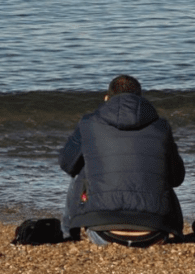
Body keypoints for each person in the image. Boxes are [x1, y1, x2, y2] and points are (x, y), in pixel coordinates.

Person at [59, 75, 185, 247]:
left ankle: (68, 233)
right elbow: (177, 178)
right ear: (140, 99)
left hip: (104, 233)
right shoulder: (161, 127)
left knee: (82, 166)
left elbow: (67, 164)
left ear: (106, 99)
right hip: (154, 233)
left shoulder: (88, 123)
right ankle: (175, 229)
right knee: (161, 169)